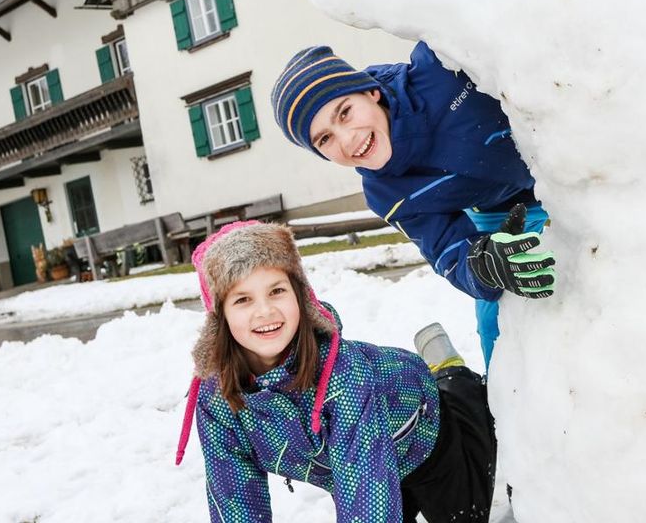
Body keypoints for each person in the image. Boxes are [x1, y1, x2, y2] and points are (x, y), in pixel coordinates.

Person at [175, 220, 497, 522]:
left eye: (276, 291)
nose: (265, 310)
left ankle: (451, 374)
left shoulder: (343, 375)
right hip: (351, 470)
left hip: (419, 431)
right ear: (221, 317)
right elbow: (234, 494)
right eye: (243, 299)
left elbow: (367, 498)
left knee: (466, 515)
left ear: (300, 296)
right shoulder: (217, 398)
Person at [270, 43, 556, 370]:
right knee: (498, 325)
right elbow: (447, 250)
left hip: (571, 163)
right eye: (325, 139)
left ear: (371, 92)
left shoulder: (440, 67)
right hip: (506, 210)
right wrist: (482, 264)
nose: (347, 140)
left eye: (345, 112)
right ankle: (510, 413)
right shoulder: (386, 193)